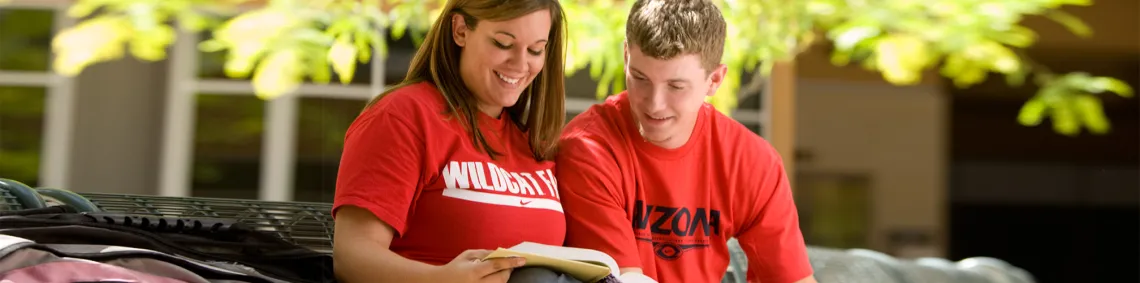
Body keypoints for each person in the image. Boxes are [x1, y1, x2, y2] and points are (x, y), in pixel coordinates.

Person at [555, 0, 818, 283]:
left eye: (676, 86)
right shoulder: (588, 148)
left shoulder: (752, 162)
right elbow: (625, 280)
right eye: (640, 78)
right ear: (626, 57)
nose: (655, 104)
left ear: (714, 80)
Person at [330, 0, 572, 282]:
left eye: (535, 50)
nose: (520, 64)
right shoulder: (403, 116)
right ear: (460, 31)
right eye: (503, 44)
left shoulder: (534, 143)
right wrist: (442, 279)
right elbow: (352, 257)